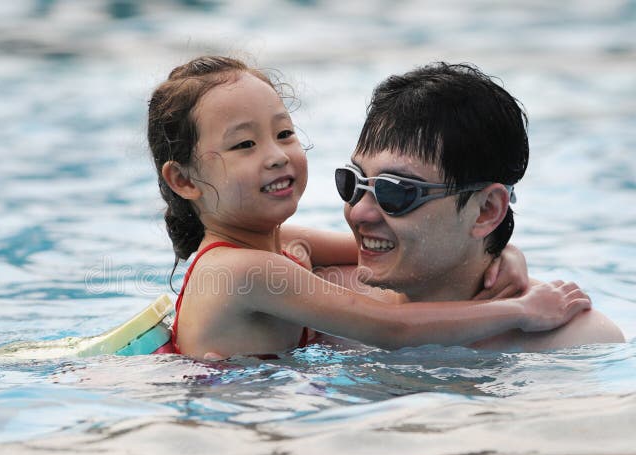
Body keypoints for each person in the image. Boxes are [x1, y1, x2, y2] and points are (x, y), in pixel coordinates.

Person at [148, 55, 590, 359]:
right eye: (245, 144)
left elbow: (388, 247)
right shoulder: (245, 270)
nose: (277, 155)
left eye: (284, 134)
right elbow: (394, 328)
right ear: (184, 180)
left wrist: (500, 252)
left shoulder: (278, 246)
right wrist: (521, 311)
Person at [332, 62, 623, 350]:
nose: (359, 212)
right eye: (352, 182)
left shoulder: (572, 342)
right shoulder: (324, 302)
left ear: (487, 210)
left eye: (395, 191)